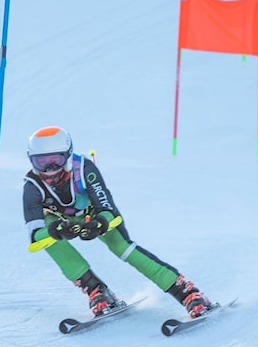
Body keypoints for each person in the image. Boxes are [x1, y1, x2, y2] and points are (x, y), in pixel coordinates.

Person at [22, 125, 215, 319]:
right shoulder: (32, 186)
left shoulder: (84, 169)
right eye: (41, 163)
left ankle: (187, 293)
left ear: (68, 156)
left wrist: (98, 223)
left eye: (55, 161)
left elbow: (107, 209)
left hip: (94, 214)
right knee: (49, 241)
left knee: (121, 247)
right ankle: (96, 290)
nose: (49, 170)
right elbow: (35, 233)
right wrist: (57, 231)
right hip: (63, 221)